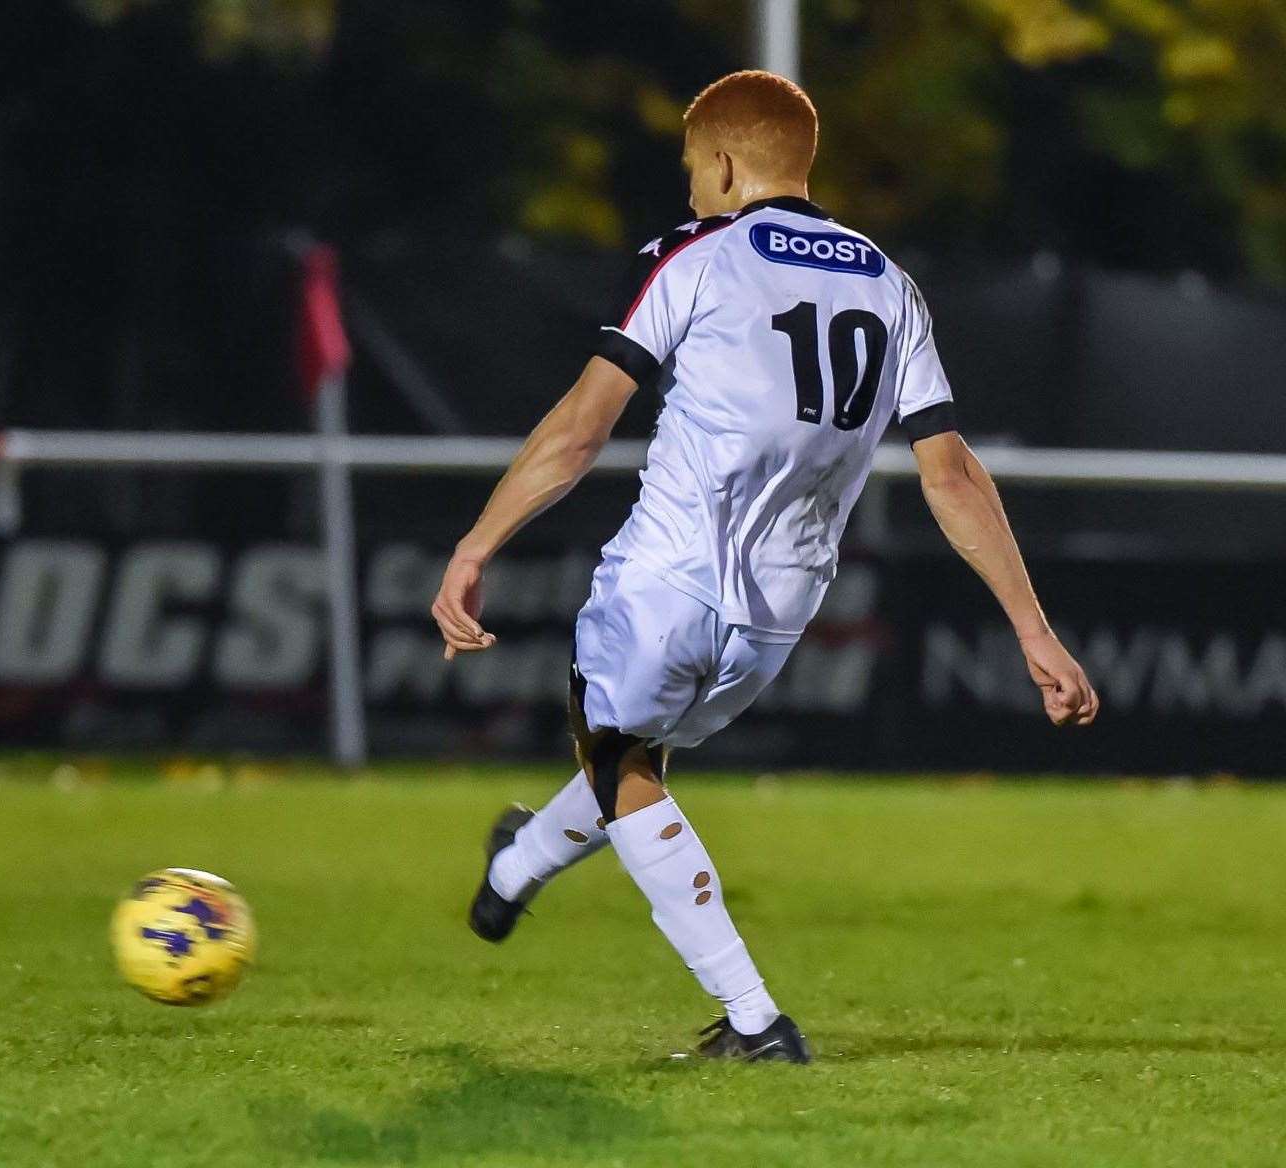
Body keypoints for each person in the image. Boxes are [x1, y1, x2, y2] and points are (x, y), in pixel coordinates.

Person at [430, 69, 1098, 1064]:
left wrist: (476, 544)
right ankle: (517, 867)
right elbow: (950, 471)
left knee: (619, 761)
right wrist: (1034, 628)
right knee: (630, 762)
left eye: (697, 170)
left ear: (729, 166)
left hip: (670, 569)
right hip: (784, 607)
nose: (693, 189)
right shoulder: (886, 280)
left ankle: (754, 1020)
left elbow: (579, 430)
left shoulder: (695, 255)